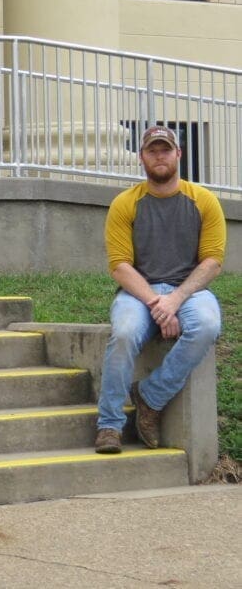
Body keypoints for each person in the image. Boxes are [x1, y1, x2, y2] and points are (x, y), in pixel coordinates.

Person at [94, 125, 226, 454]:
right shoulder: (125, 204)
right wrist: (157, 302)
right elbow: (120, 265)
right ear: (142, 158)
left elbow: (212, 261)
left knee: (207, 325)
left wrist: (176, 298)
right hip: (140, 292)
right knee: (124, 332)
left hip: (189, 290)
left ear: (178, 154)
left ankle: (150, 397)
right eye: (152, 151)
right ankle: (109, 425)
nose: (159, 156)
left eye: (165, 150)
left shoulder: (204, 201)